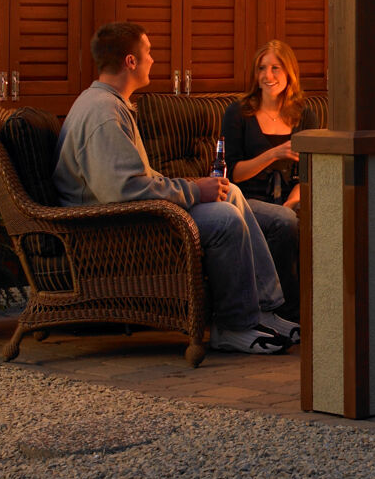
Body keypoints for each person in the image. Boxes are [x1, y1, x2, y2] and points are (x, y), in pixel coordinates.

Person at [53, 21, 298, 355]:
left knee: (232, 193)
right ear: (131, 62)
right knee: (225, 219)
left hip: (130, 210)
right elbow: (125, 191)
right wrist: (195, 191)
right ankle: (232, 325)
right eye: (149, 53)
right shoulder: (104, 114)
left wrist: (193, 185)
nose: (154, 60)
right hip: (109, 226)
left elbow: (135, 181)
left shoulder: (111, 104)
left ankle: (265, 309)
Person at [221, 40, 317, 310]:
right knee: (285, 221)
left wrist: (290, 204)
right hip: (248, 200)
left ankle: (329, 310)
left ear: (289, 73)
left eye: (276, 68)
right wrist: (272, 155)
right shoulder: (239, 113)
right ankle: (285, 309)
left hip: (292, 200)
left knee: (303, 218)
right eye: (262, 68)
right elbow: (236, 174)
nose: (268, 76)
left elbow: (308, 175)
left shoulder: (305, 116)